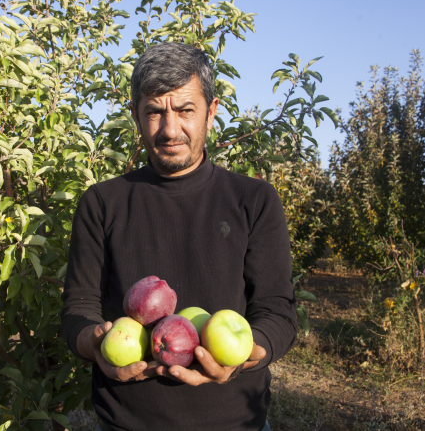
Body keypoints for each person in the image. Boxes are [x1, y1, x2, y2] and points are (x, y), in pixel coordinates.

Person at [60, 42, 297, 431]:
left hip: (235, 422)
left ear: (211, 111)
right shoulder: (102, 202)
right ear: (135, 115)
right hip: (127, 423)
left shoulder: (253, 200)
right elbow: (78, 307)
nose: (170, 130)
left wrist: (247, 355)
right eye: (154, 112)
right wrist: (93, 343)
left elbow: (277, 311)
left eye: (186, 110)